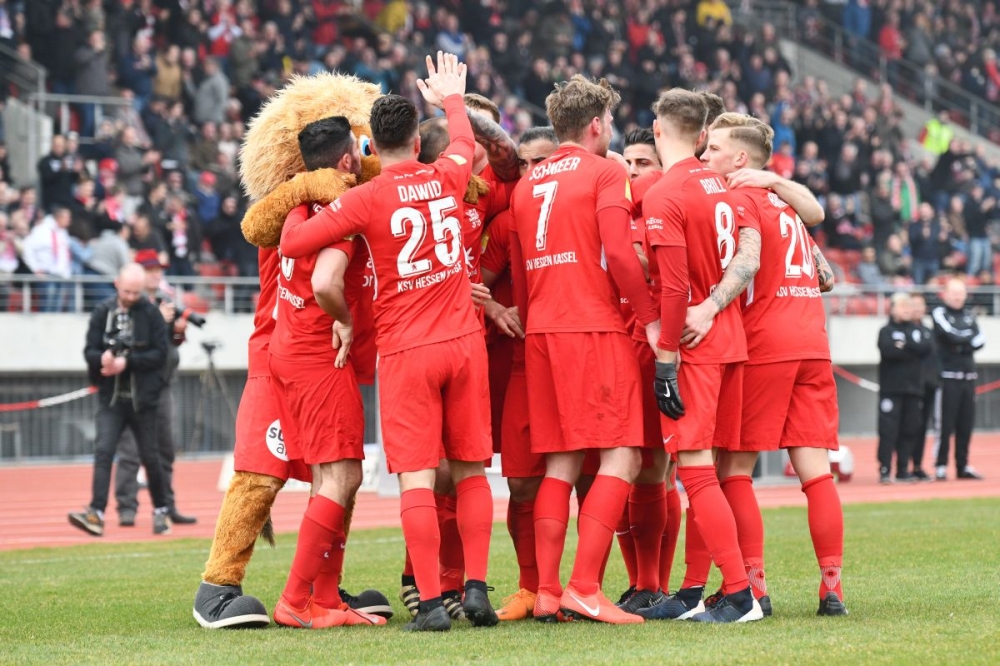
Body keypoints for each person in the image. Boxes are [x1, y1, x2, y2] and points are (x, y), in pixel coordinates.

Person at [280, 52, 499, 633]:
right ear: (417, 141)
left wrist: (305, 194)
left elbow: (294, 244)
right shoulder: (449, 174)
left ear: (371, 146)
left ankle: (430, 604)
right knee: (472, 473)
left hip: (407, 350)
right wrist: (452, 96)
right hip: (464, 342)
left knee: (417, 478)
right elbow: (463, 140)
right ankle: (476, 589)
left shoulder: (365, 198)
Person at [507, 75, 660, 625]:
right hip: (591, 326)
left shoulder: (527, 184)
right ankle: (586, 588)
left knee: (562, 461)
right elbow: (619, 254)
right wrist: (651, 317)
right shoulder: (604, 172)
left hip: (543, 331)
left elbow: (522, 277)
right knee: (624, 455)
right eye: (610, 121)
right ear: (597, 125)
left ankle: (548, 592)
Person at [698, 112, 847, 617]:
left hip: (766, 344)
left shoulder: (739, 198)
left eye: (714, 149)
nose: (705, 157)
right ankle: (832, 589)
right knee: (816, 475)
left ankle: (754, 588)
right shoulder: (785, 204)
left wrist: (711, 306)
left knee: (734, 470)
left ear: (741, 158)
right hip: (812, 341)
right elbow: (826, 276)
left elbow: (748, 262)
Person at [638, 88, 763, 624]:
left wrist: (665, 358)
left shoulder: (665, 192)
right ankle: (694, 591)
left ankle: (738, 595)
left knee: (694, 471)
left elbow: (672, 288)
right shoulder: (721, 186)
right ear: (704, 134)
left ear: (657, 130)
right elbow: (744, 258)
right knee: (707, 471)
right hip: (731, 338)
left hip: (694, 346)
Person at [269, 116, 387, 630]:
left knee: (329, 478)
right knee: (344, 476)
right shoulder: (340, 211)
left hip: (290, 349)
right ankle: (295, 600)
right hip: (319, 356)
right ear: (346, 161)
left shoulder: (298, 206)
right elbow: (324, 282)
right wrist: (345, 320)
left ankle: (324, 597)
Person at [479, 126, 558, 621]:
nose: (531, 172)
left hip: (580, 359)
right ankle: (533, 588)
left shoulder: (589, 206)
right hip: (524, 365)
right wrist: (495, 309)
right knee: (523, 484)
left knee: (594, 479)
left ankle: (612, 586)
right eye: (524, 164)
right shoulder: (507, 221)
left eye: (541, 162)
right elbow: (472, 281)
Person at [69, 263, 172, 537]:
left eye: (136, 292)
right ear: (117, 284)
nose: (130, 297)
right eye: (127, 291)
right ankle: (96, 513)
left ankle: (161, 510)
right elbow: (89, 350)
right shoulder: (102, 312)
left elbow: (160, 355)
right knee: (103, 452)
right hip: (111, 399)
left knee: (150, 456)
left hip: (143, 401)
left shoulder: (151, 313)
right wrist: (101, 358)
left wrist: (127, 362)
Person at [112, 249, 197, 528]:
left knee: (165, 449)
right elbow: (127, 340)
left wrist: (178, 330)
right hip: (134, 387)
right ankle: (127, 507)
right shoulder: (127, 304)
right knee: (130, 450)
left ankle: (166, 506)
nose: (156, 274)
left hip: (162, 385)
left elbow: (169, 344)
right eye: (150, 270)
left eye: (158, 270)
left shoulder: (163, 301)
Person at [932, 278, 986, 480]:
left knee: (965, 424)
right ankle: (941, 465)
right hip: (948, 378)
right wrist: (965, 341)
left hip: (968, 377)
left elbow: (980, 340)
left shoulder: (969, 315)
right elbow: (950, 335)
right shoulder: (940, 313)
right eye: (953, 293)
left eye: (960, 293)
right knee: (945, 425)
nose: (957, 297)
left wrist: (961, 344)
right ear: (945, 294)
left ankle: (962, 465)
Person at [877, 292, 932, 484]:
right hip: (891, 390)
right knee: (888, 431)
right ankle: (885, 469)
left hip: (914, 390)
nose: (907, 310)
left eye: (909, 307)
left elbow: (925, 349)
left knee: (909, 430)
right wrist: (909, 349)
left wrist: (903, 346)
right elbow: (888, 351)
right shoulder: (886, 331)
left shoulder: (918, 330)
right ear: (893, 309)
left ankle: (903, 469)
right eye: (902, 306)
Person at [910, 294, 938, 482]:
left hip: (928, 387)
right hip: (910, 387)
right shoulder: (904, 329)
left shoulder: (928, 330)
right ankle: (901, 466)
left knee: (921, 428)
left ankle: (917, 465)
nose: (917, 309)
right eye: (914, 305)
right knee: (908, 428)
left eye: (920, 305)